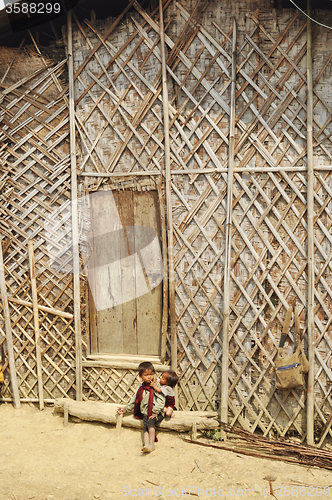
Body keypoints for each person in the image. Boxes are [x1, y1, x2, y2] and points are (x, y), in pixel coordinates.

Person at [116, 361, 166, 453]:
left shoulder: (157, 386)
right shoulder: (140, 387)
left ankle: (152, 445)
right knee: (145, 428)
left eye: (151, 374)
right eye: (146, 375)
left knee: (150, 424)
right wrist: (126, 409)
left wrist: (155, 412)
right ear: (140, 376)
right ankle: (146, 445)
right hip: (146, 412)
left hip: (157, 412)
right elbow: (134, 400)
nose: (149, 377)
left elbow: (162, 401)